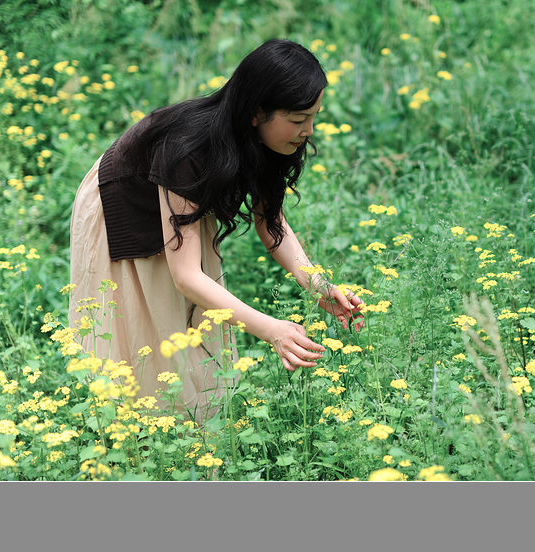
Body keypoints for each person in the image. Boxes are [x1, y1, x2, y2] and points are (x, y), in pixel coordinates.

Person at [68, 39, 364, 422]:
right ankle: (141, 439)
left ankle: (192, 434)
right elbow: (187, 277)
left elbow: (270, 222)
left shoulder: (271, 141)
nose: (308, 131)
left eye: (313, 117)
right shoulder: (188, 149)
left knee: (188, 331)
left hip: (181, 203)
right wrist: (272, 330)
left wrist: (317, 284)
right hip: (123, 204)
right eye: (297, 119)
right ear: (257, 112)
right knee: (145, 334)